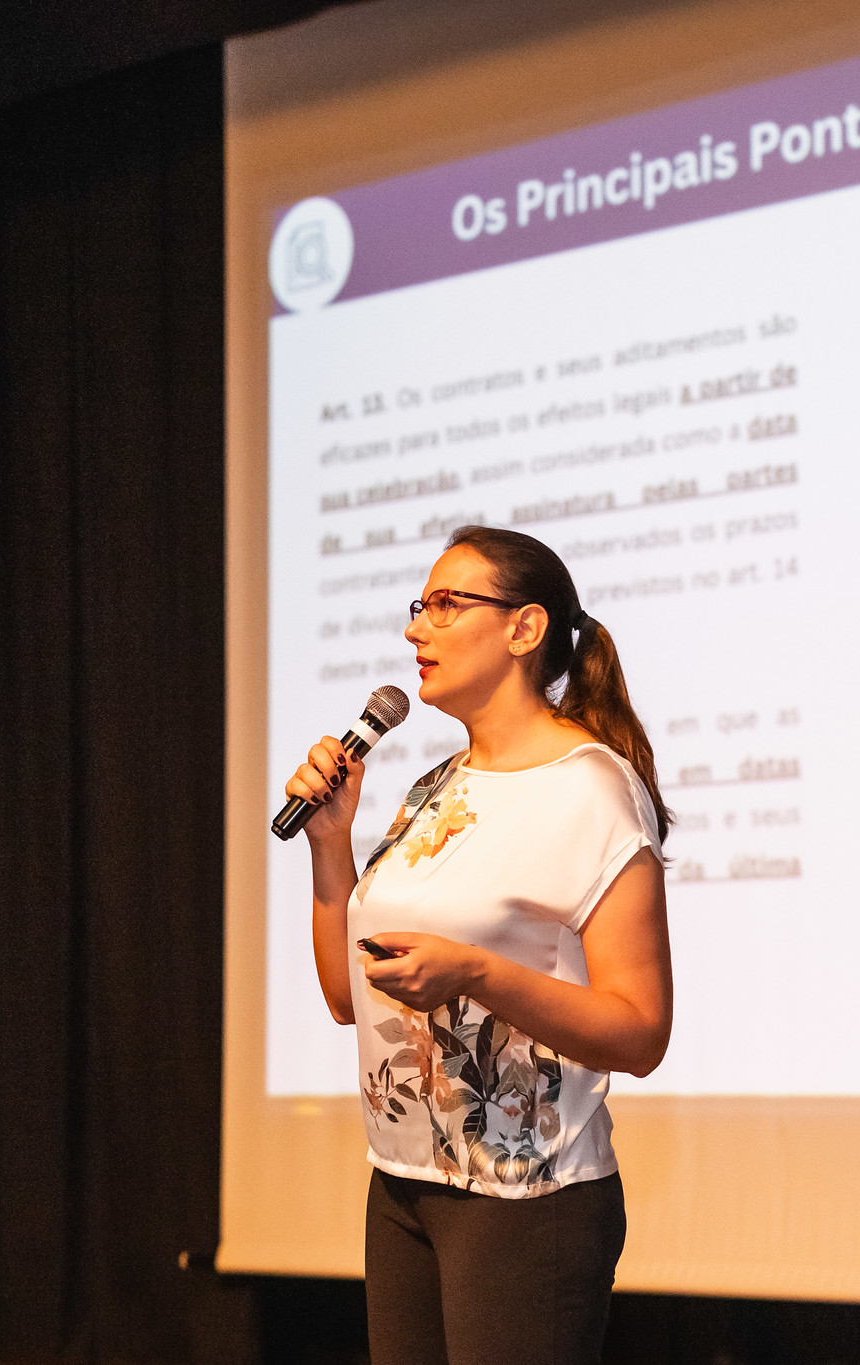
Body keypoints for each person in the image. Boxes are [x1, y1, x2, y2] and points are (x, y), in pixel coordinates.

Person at [283, 525, 674, 1365]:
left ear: (525, 628)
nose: (414, 628)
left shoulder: (592, 788)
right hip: (404, 1182)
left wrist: (475, 971)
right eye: (417, 606)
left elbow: (642, 1031)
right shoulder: (436, 788)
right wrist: (330, 843)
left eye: (444, 604)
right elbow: (349, 997)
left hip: (526, 1196)